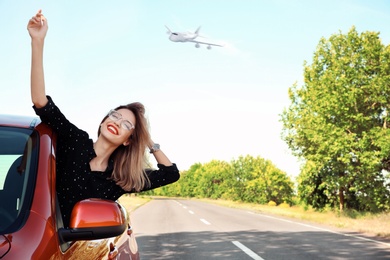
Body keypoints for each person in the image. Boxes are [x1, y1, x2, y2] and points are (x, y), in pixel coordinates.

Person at [27, 10, 180, 227]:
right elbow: (41, 102)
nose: (117, 121)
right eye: (114, 115)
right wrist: (38, 41)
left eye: (126, 124)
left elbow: (171, 174)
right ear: (102, 122)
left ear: (129, 140)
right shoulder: (75, 140)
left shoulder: (121, 179)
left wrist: (147, 142)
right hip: (40, 237)